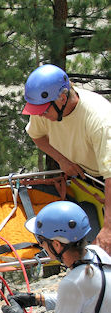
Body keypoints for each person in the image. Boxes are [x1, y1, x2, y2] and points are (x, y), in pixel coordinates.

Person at [22, 64, 111, 255]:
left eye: (44, 111)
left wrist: (109, 230)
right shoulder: (45, 108)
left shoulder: (100, 120)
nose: (40, 115)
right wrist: (62, 160)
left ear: (62, 98)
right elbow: (37, 136)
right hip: (90, 176)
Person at [1, 201, 111, 313]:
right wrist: (38, 299)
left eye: (41, 241)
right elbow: (85, 297)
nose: (41, 246)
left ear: (57, 245)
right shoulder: (97, 254)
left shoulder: (72, 283)